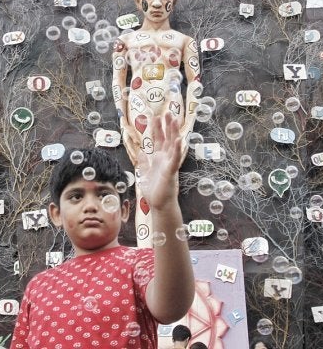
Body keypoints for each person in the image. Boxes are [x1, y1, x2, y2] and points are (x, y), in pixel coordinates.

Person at [10, 113, 195, 348]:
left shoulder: (138, 263)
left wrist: (164, 205)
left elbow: (172, 306)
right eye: (76, 196)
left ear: (125, 209)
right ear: (56, 214)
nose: (90, 205)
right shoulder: (38, 287)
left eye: (104, 195)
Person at [112, 0, 202, 246]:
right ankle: (146, 258)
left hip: (171, 113)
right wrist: (123, 124)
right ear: (138, 0)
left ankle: (167, 261)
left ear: (173, 0)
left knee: (168, 184)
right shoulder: (124, 42)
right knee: (143, 185)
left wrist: (187, 128)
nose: (156, 2)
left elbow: (195, 84)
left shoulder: (185, 42)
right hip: (139, 112)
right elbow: (117, 83)